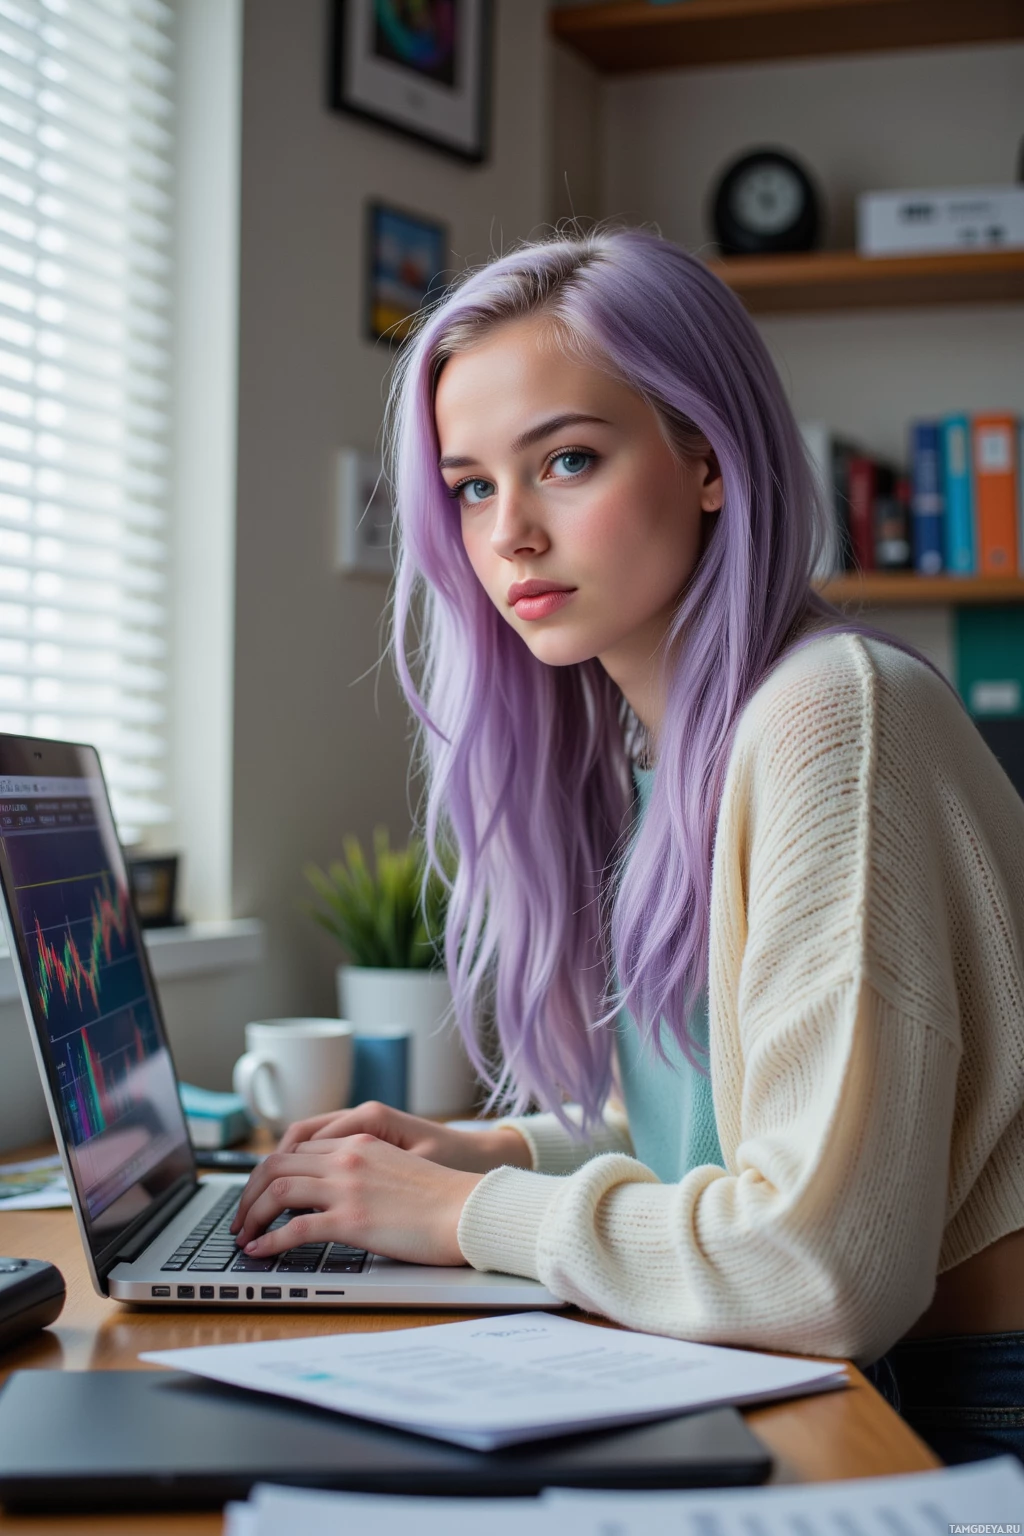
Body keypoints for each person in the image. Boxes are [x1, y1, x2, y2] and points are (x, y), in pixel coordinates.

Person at [231, 227, 1024, 1465]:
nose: (509, 537)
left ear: (707, 458)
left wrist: (466, 1211)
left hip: (967, 1401)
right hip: (882, 1378)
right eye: (472, 485)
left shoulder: (829, 714)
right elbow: (721, 1136)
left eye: (567, 460)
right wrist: (495, 1149)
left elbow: (821, 1270)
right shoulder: (666, 748)